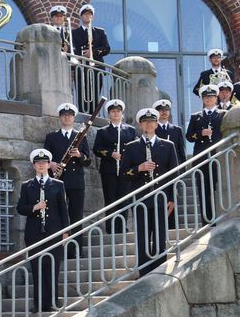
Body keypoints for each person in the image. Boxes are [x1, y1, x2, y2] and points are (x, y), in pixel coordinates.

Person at [121, 109, 179, 276]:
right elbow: (123, 174)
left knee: (160, 236)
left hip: (161, 197)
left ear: (156, 124)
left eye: (151, 122)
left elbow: (174, 174)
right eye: (145, 122)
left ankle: (159, 270)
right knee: (142, 237)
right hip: (141, 198)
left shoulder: (168, 145)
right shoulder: (131, 147)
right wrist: (139, 168)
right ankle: (144, 272)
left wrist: (172, 198)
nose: (148, 125)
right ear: (140, 125)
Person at [16, 149, 70, 312]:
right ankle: (39, 304)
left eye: (44, 163)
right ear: (34, 166)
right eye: (38, 163)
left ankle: (53, 302)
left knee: (53, 266)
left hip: (54, 231)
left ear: (48, 164)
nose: (41, 165)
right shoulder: (27, 185)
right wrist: (35, 207)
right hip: (34, 233)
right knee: (37, 267)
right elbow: (20, 208)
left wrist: (65, 232)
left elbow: (64, 210)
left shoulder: (58, 185)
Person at [44, 102, 91, 224]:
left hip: (76, 182)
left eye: (70, 115)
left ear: (74, 117)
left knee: (76, 216)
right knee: (57, 214)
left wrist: (79, 155)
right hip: (57, 180)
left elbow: (88, 161)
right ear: (60, 117)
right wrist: (51, 164)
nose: (67, 117)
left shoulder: (81, 136)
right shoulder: (51, 137)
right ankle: (59, 237)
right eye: (64, 115)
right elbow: (44, 158)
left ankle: (76, 237)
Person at [92, 99, 135, 233]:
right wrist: (111, 154)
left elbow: (134, 148)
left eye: (118, 111)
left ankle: (122, 227)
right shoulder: (103, 131)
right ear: (109, 114)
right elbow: (97, 149)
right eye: (113, 111)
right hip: (109, 170)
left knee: (124, 199)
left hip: (125, 170)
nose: (115, 114)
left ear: (122, 114)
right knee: (110, 198)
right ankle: (111, 228)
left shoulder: (130, 130)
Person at [185, 85, 226, 221]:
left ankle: (222, 218)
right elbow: (189, 136)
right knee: (204, 189)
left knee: (220, 188)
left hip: (218, 156)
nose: (208, 99)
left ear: (216, 98)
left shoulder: (223, 114)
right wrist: (200, 133)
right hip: (202, 157)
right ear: (202, 99)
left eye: (211, 97)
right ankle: (207, 220)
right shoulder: (195, 116)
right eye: (206, 97)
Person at [72, 5, 110, 110]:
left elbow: (106, 48)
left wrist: (93, 52)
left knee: (96, 93)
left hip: (97, 68)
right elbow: (72, 48)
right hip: (81, 68)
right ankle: (83, 112)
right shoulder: (74, 33)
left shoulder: (100, 32)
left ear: (92, 17)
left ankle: (93, 115)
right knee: (82, 93)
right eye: (85, 14)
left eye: (89, 14)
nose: (87, 16)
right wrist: (82, 54)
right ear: (81, 16)